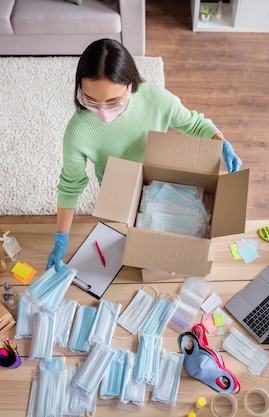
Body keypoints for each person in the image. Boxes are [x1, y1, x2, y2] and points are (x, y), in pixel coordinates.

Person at [46, 38, 242, 271]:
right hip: (117, 186)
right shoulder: (78, 131)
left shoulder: (156, 99)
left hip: (159, 177)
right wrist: (61, 239)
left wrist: (222, 143)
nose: (103, 112)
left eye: (113, 101)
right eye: (91, 101)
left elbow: (195, 125)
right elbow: (71, 184)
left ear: (130, 86)